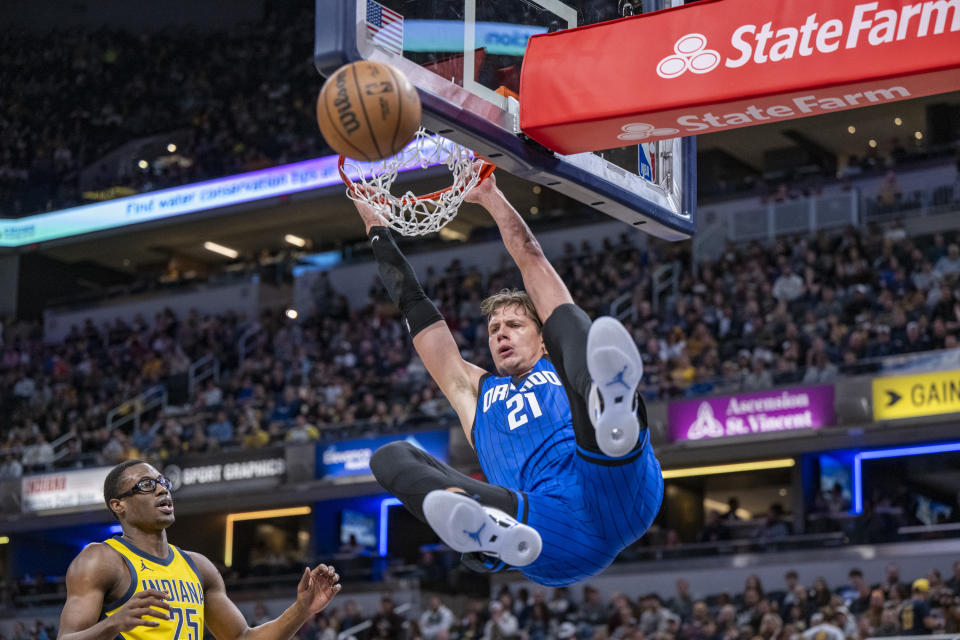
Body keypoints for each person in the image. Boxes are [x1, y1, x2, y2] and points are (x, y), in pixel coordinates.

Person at [355, 171, 663, 587]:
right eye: (494, 328)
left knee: (572, 327)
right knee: (388, 457)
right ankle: (489, 532)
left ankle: (612, 412)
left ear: (540, 340)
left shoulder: (558, 361)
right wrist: (376, 228)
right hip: (540, 528)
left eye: (515, 324)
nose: (500, 331)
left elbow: (530, 256)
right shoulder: (476, 392)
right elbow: (415, 305)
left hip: (609, 477)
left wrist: (491, 197)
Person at [57, 460, 341, 640]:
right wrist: (114, 624)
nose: (161, 490)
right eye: (146, 485)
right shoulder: (101, 560)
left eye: (162, 483)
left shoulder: (198, 566)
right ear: (118, 505)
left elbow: (242, 638)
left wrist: (302, 609)